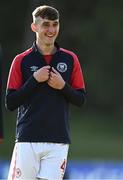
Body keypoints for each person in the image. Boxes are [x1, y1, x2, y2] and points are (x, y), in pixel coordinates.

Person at [5, 5, 86, 180]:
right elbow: (10, 102)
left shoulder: (70, 59)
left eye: (55, 24)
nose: (51, 30)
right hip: (27, 140)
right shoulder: (21, 60)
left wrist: (62, 86)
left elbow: (81, 99)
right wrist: (34, 80)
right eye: (46, 25)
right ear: (34, 27)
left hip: (58, 141)